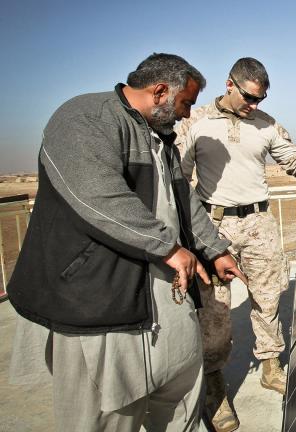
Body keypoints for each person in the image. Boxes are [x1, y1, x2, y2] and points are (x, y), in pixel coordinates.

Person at [6, 53, 246, 432]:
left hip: (161, 297)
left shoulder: (162, 138)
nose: (186, 115)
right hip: (96, 305)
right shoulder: (84, 118)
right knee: (105, 415)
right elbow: (98, 197)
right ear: (161, 91)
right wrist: (168, 247)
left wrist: (214, 250)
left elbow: (181, 202)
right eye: (186, 103)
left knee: (181, 395)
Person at [175, 57, 296, 431]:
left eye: (260, 99)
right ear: (230, 85)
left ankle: (270, 365)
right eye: (249, 97)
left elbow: (293, 161)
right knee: (214, 307)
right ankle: (215, 389)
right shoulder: (195, 123)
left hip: (259, 222)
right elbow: (177, 177)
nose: (254, 105)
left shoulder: (267, 125)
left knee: (268, 297)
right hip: (214, 226)